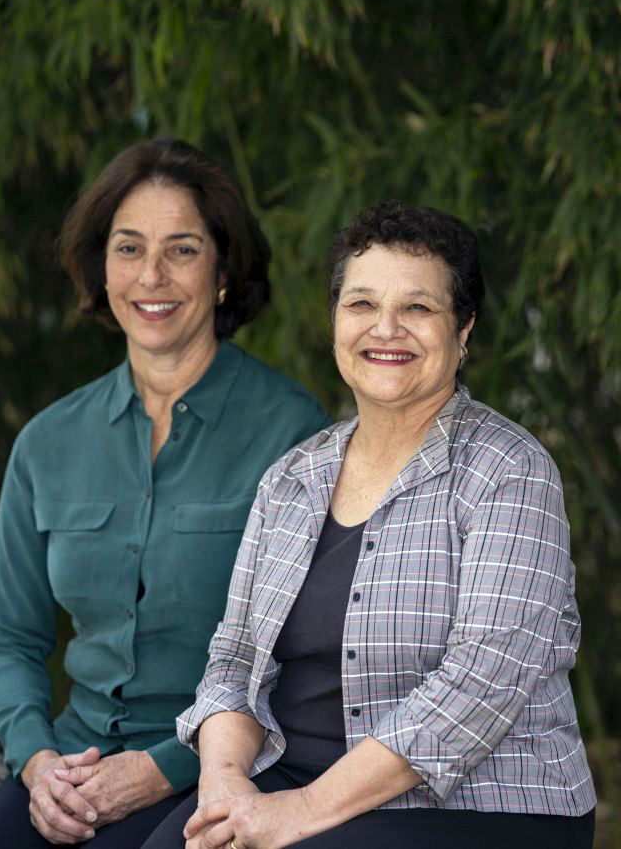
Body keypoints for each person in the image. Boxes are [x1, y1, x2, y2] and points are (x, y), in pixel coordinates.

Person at [138, 201, 596, 848]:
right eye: (361, 305)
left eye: (418, 308)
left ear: (463, 329)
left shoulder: (510, 472)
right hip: (293, 776)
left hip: (476, 806)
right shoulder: (292, 478)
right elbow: (235, 657)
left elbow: (479, 683)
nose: (386, 329)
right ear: (334, 323)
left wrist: (299, 812)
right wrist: (223, 785)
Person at [0, 138, 332, 848]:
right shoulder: (47, 441)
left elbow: (299, 660)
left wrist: (166, 766)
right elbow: (9, 634)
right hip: (72, 764)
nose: (152, 276)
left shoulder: (293, 433)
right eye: (128, 249)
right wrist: (37, 764)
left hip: (218, 772)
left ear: (224, 271)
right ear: (101, 270)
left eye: (183, 250)